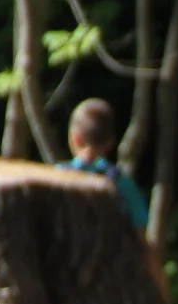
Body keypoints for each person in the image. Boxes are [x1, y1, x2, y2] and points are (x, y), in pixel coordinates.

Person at [58, 99, 150, 231]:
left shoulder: (57, 176)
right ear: (110, 142)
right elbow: (140, 234)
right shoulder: (122, 184)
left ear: (75, 138)